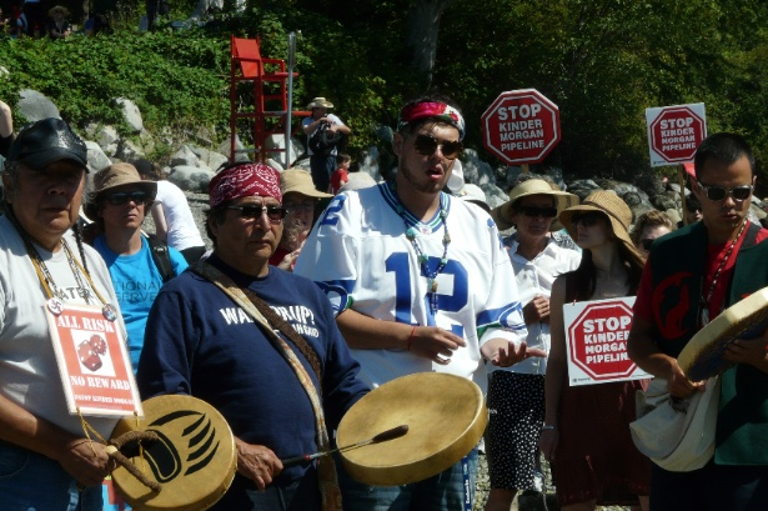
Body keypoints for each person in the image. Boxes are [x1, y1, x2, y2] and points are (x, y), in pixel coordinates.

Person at [295, 97, 539, 509]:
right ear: (399, 144)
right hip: (375, 412)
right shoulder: (351, 211)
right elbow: (318, 315)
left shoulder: (476, 223)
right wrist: (408, 337)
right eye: (425, 144)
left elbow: (496, 317)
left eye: (450, 147)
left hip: (454, 414)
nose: (437, 156)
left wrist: (499, 346)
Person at [136, 161, 369, 510]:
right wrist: (234, 450)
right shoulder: (184, 297)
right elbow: (165, 399)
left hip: (309, 481)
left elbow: (342, 383)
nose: (264, 223)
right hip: (229, 488)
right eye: (248, 211)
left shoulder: (307, 294)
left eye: (274, 212)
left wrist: (379, 417)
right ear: (214, 222)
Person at [627, 132, 768, 510]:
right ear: (695, 187)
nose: (731, 204)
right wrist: (667, 368)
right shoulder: (668, 251)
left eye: (740, 192)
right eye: (717, 193)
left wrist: (761, 355)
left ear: (754, 185)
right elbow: (638, 339)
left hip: (750, 443)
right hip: (679, 436)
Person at [0, 118, 124, 510]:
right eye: (41, 174)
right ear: (9, 181)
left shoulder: (89, 259)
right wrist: (64, 446)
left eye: (69, 176)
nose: (57, 188)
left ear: (83, 187)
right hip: (19, 472)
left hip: (92, 471)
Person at [539, 190, 651, 510]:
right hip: (580, 409)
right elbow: (557, 358)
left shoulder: (644, 281)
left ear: (613, 227)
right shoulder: (565, 285)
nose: (579, 227)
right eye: (576, 220)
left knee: (649, 497)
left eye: (590, 219)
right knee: (578, 499)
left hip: (637, 405)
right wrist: (550, 423)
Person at [484, 179, 581, 511]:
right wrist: (521, 317)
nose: (539, 218)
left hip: (566, 378)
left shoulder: (572, 259)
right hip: (513, 377)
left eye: (546, 211)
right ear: (514, 214)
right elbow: (480, 318)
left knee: (574, 481)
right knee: (506, 481)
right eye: (530, 210)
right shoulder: (495, 260)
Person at [85, 162, 188, 370]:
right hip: (105, 372)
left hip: (164, 371)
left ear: (146, 205)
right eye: (118, 198)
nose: (131, 204)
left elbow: (195, 312)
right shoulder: (84, 259)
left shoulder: (169, 259)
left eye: (138, 197)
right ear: (101, 209)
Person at [132, 158, 207, 264]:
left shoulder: (155, 191)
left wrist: (157, 251)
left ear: (142, 177)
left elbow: (162, 229)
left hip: (181, 248)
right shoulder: (170, 186)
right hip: (198, 244)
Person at [269, 167, 332, 271]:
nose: (300, 212)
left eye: (307, 204)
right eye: (291, 205)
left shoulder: (323, 249)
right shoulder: (264, 253)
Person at [301, 97, 351, 193]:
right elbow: (307, 130)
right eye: (322, 108)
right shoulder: (307, 120)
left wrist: (336, 128)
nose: (325, 110)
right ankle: (322, 202)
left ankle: (329, 201)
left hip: (329, 155)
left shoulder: (331, 117)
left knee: (331, 181)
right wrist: (319, 121)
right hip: (315, 155)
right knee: (318, 182)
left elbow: (347, 130)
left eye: (325, 108)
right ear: (315, 109)